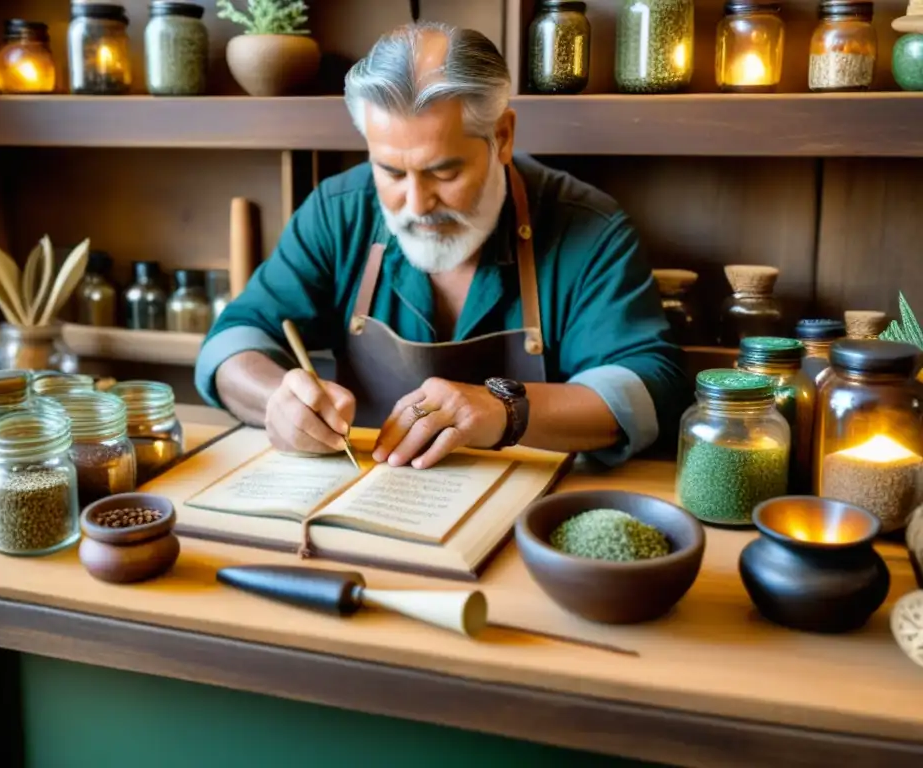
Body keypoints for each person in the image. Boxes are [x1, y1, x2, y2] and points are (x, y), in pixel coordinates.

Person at [195, 22, 689, 471]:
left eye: (443, 171)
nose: (416, 203)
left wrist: (507, 410)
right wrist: (276, 400)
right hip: (366, 491)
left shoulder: (587, 227)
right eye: (390, 171)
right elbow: (231, 341)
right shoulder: (338, 210)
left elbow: (650, 385)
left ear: (501, 136)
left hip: (531, 511)